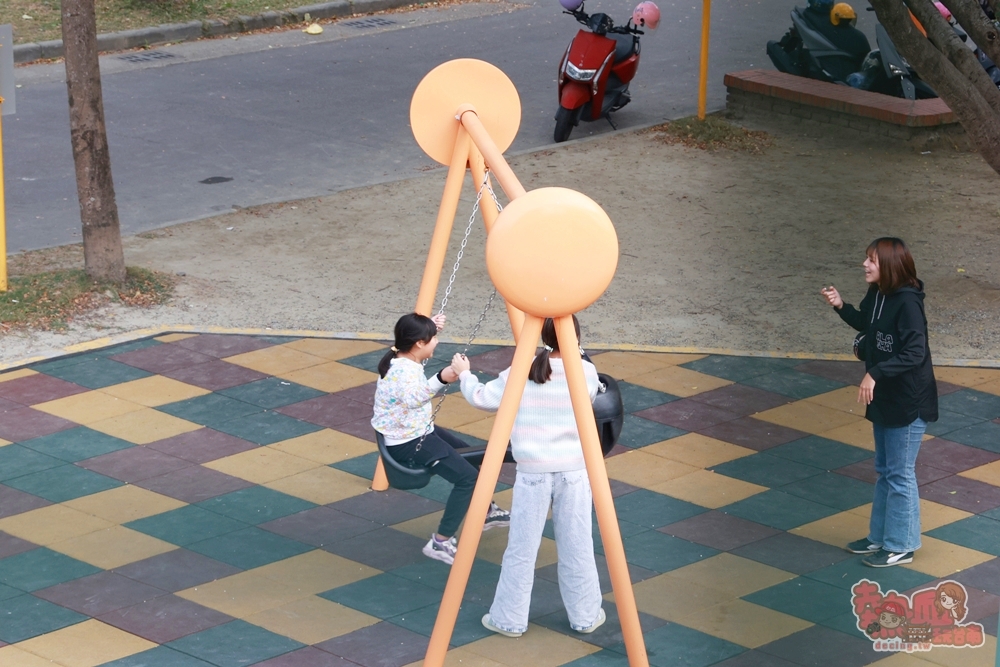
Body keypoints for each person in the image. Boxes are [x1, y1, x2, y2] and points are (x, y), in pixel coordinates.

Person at [451, 315, 605, 637]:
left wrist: (465, 375)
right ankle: (586, 616)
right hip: (573, 472)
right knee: (578, 545)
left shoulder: (523, 370)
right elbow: (591, 396)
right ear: (575, 336)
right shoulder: (586, 372)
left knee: (521, 549)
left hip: (532, 473)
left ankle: (509, 619)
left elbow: (482, 398)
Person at [821, 237, 938, 568]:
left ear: (887, 265)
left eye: (871, 259)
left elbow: (916, 352)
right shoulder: (877, 294)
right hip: (886, 395)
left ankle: (902, 544)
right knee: (885, 470)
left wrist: (875, 373)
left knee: (900, 472)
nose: (865, 264)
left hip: (908, 399)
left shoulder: (908, 304)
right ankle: (880, 538)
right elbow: (867, 326)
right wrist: (841, 306)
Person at [371, 312, 510, 565]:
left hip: (419, 431)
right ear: (419, 343)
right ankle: (441, 541)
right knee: (468, 478)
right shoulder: (403, 372)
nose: (437, 341)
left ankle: (486, 511)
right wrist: (441, 378)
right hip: (409, 443)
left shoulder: (400, 357)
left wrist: (429, 326)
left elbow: (414, 355)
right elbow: (414, 398)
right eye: (433, 338)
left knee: (474, 455)